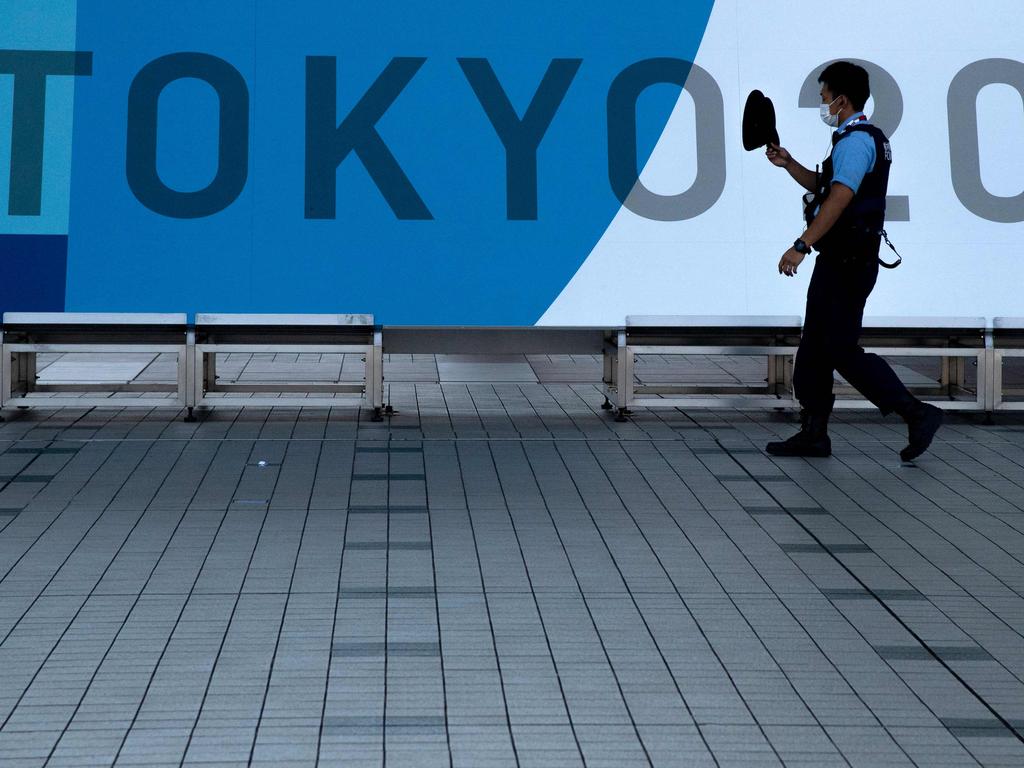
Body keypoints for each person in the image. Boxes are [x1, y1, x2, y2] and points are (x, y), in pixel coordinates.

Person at [764, 61, 942, 462]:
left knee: (841, 349)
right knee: (814, 347)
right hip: (840, 260)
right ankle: (814, 433)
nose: (821, 103)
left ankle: (916, 413)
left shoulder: (857, 142)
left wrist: (801, 244)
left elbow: (839, 198)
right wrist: (789, 164)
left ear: (841, 99)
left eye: (824, 96)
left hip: (848, 261)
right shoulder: (851, 139)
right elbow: (826, 186)